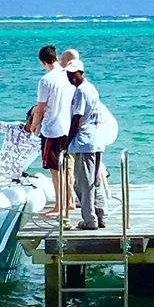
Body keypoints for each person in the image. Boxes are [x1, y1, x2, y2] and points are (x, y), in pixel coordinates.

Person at [64, 60, 118, 228]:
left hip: (84, 142)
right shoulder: (92, 88)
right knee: (95, 180)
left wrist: (66, 142)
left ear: (81, 72)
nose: (71, 76)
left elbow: (77, 118)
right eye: (69, 73)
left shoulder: (80, 91)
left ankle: (90, 220)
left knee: (83, 183)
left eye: (74, 73)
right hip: (97, 139)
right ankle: (101, 215)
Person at [32, 44, 73, 218]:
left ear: (43, 62)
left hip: (52, 130)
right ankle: (68, 202)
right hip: (69, 127)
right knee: (66, 169)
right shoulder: (68, 76)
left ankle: (59, 206)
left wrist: (33, 126)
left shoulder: (46, 80)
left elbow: (41, 108)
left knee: (55, 171)